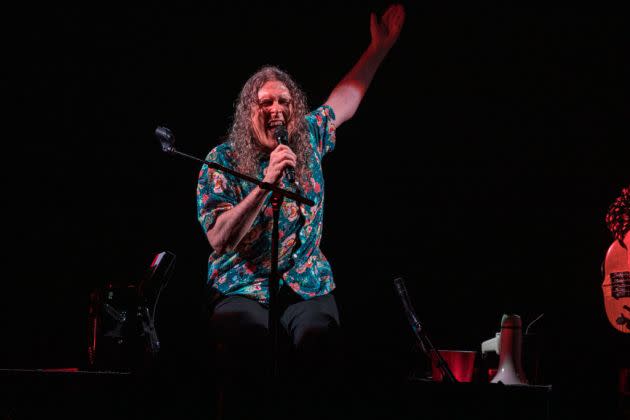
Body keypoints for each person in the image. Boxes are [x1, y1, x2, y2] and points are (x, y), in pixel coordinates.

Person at [196, 4, 405, 419]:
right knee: (247, 347)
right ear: (248, 112)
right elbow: (219, 238)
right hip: (242, 284)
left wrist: (379, 48)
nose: (277, 109)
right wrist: (265, 185)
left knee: (320, 341)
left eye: (285, 102)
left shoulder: (306, 140)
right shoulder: (221, 161)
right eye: (266, 102)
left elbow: (345, 99)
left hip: (305, 281)